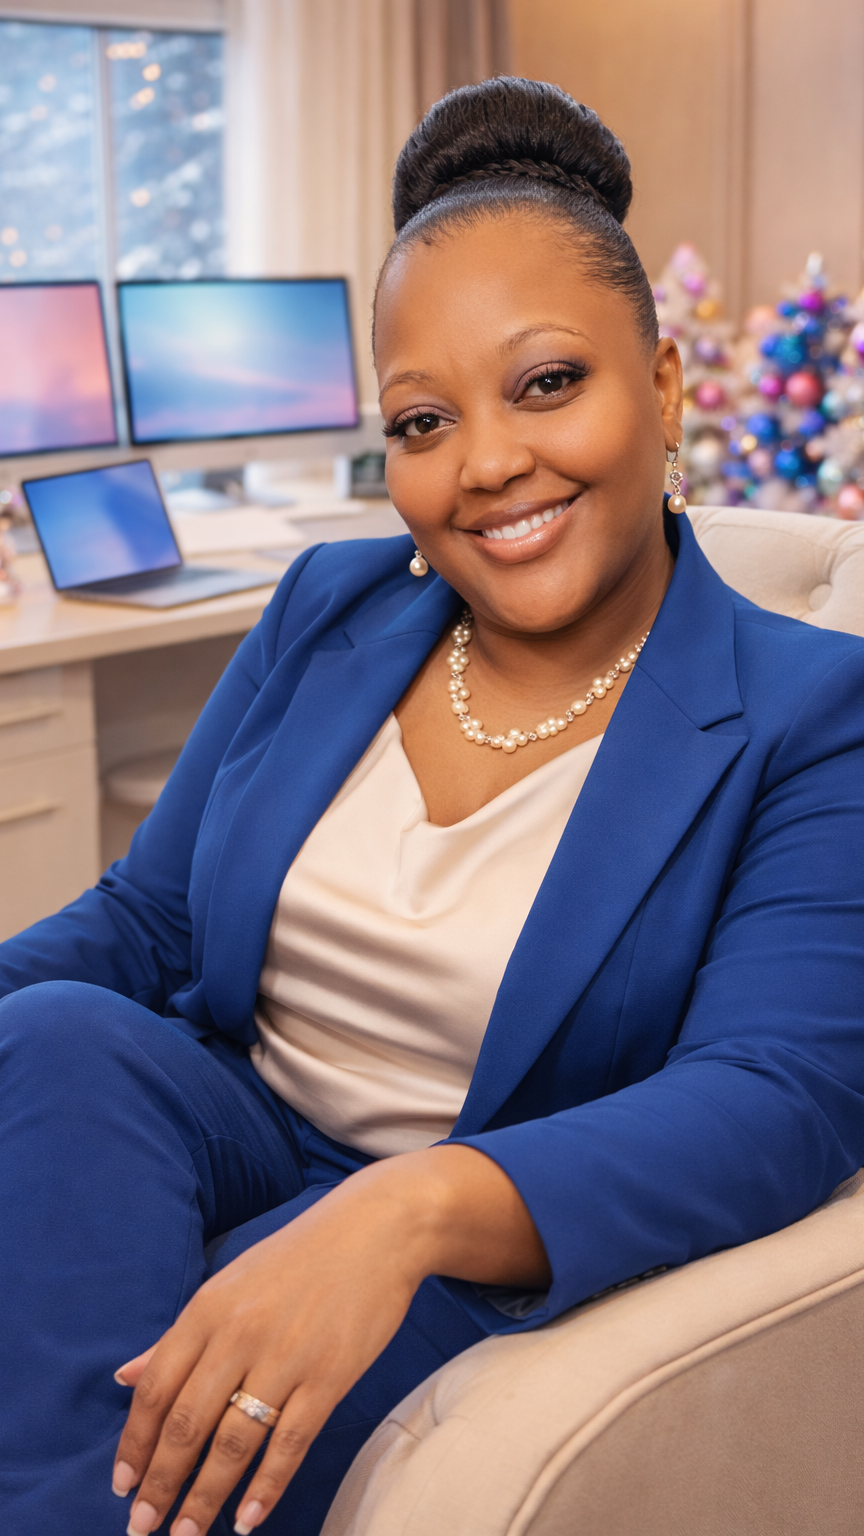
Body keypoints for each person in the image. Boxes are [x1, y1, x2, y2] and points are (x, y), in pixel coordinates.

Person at [3, 76, 864, 1536]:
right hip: (236, 1117)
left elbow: (776, 1097)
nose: (485, 467)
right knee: (57, 1036)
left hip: (472, 1217)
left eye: (547, 384)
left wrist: (397, 1215)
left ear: (658, 388)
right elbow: (146, 921)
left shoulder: (813, 711)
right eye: (421, 419)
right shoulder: (327, 601)